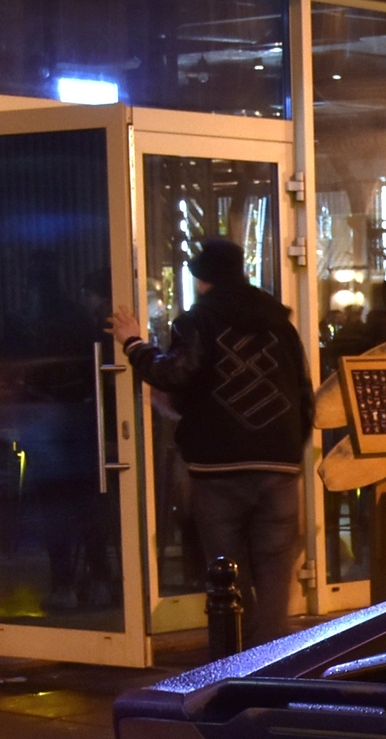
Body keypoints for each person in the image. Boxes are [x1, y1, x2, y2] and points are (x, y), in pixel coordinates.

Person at [106, 237, 311, 644]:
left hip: (218, 466)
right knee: (275, 570)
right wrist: (290, 446)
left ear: (201, 279)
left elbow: (174, 374)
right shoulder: (280, 324)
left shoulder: (198, 321)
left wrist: (133, 342)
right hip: (280, 464)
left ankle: (238, 656)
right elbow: (304, 395)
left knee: (225, 571)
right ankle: (274, 658)